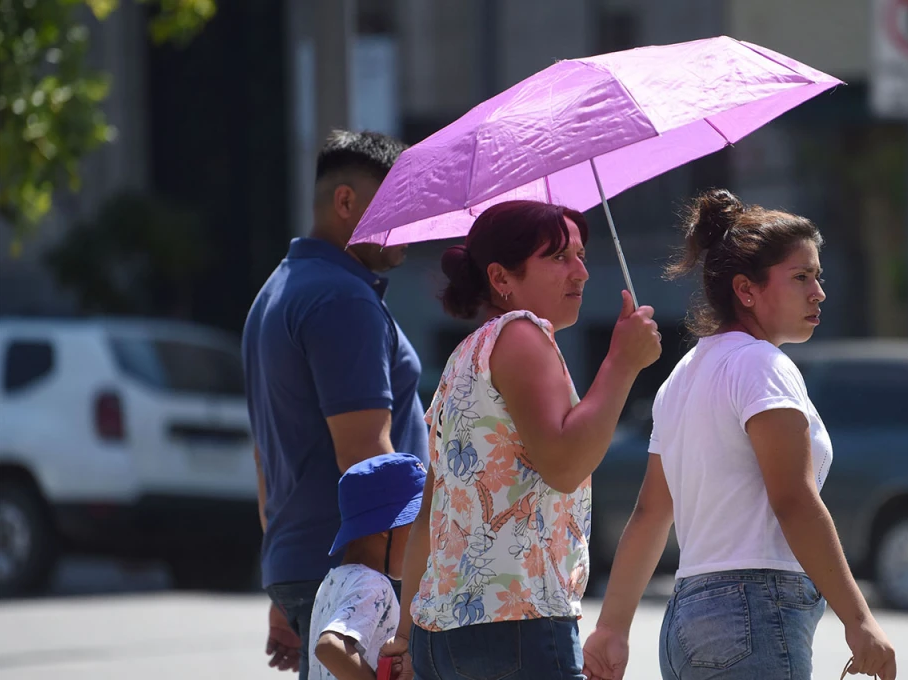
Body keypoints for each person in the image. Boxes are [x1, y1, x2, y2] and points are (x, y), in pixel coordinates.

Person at [581, 189, 898, 680]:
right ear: (746, 290)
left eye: (818, 276)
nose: (819, 292)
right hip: (754, 612)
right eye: (800, 277)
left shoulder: (681, 376)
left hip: (686, 621)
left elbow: (650, 514)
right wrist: (859, 621)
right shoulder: (761, 364)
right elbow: (793, 499)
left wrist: (613, 629)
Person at [382, 200, 661, 679]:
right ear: (501, 278)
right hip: (517, 627)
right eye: (558, 257)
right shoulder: (522, 334)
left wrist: (407, 634)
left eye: (581, 255)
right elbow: (564, 465)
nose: (580, 272)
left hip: (442, 632)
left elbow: (432, 511)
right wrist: (622, 363)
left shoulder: (465, 355)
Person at [243, 129, 429, 678]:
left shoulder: (279, 288)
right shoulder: (342, 299)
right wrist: (408, 581)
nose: (413, 222)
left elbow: (265, 459)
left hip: (307, 563)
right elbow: (366, 458)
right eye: (398, 204)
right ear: (345, 202)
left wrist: (284, 580)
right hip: (358, 568)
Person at [309, 453, 427, 680]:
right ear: (386, 527)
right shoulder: (373, 585)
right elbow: (329, 647)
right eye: (415, 526)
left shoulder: (333, 580)